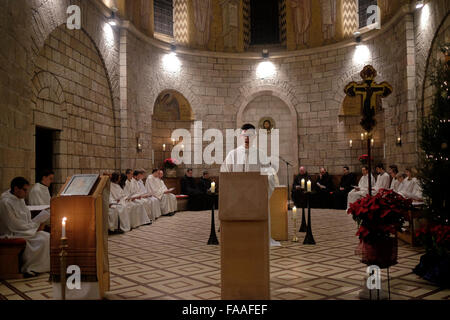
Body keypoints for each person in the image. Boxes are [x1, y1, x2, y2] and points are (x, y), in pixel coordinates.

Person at [221, 123, 281, 247]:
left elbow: (270, 175)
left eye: (250, 136)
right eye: (245, 136)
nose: (247, 139)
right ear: (241, 137)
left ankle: (258, 237)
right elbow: (225, 173)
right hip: (237, 197)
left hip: (256, 197)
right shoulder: (233, 155)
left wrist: (262, 188)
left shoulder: (261, 154)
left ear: (254, 137)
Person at [0, 177, 50, 276]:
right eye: (24, 190)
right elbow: (13, 224)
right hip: (12, 232)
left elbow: (27, 219)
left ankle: (41, 267)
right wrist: (35, 227)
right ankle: (29, 268)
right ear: (16, 189)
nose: (26, 193)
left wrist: (36, 223)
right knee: (41, 240)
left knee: (46, 236)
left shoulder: (20, 199)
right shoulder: (5, 202)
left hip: (26, 230)